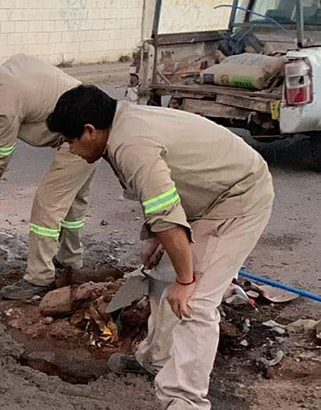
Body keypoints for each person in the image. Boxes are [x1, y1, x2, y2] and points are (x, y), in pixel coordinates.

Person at [46, 84, 274, 410]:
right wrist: (157, 239)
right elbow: (159, 198)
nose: (70, 149)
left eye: (70, 141)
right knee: (158, 273)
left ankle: (185, 400)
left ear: (90, 130)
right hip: (205, 198)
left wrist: (185, 279)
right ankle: (154, 359)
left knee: (195, 302)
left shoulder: (130, 145)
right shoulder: (120, 122)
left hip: (238, 198)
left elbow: (166, 214)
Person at [0, 54, 99, 300]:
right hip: (93, 125)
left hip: (80, 136)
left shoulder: (4, 105)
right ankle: (70, 261)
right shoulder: (14, 65)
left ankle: (39, 278)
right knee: (72, 203)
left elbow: (0, 157)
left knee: (47, 204)